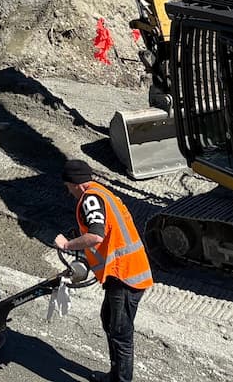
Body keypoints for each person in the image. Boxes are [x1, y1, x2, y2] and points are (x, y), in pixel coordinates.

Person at [54, 159, 153, 382]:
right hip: (122, 272)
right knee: (109, 320)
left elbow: (96, 235)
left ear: (76, 184)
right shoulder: (102, 193)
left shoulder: (90, 200)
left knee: (120, 332)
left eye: (68, 187)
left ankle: (120, 380)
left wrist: (67, 245)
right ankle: (116, 375)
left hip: (125, 276)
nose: (69, 192)